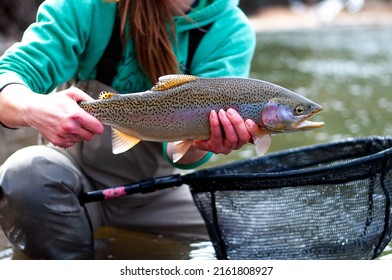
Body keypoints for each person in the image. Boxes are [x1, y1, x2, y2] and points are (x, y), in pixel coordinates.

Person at [0, 0, 256, 259]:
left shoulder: (228, 29)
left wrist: (207, 141)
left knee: (249, 232)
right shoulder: (87, 6)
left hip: (156, 194)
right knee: (25, 172)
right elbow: (8, 76)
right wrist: (32, 108)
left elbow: (179, 155)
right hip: (70, 186)